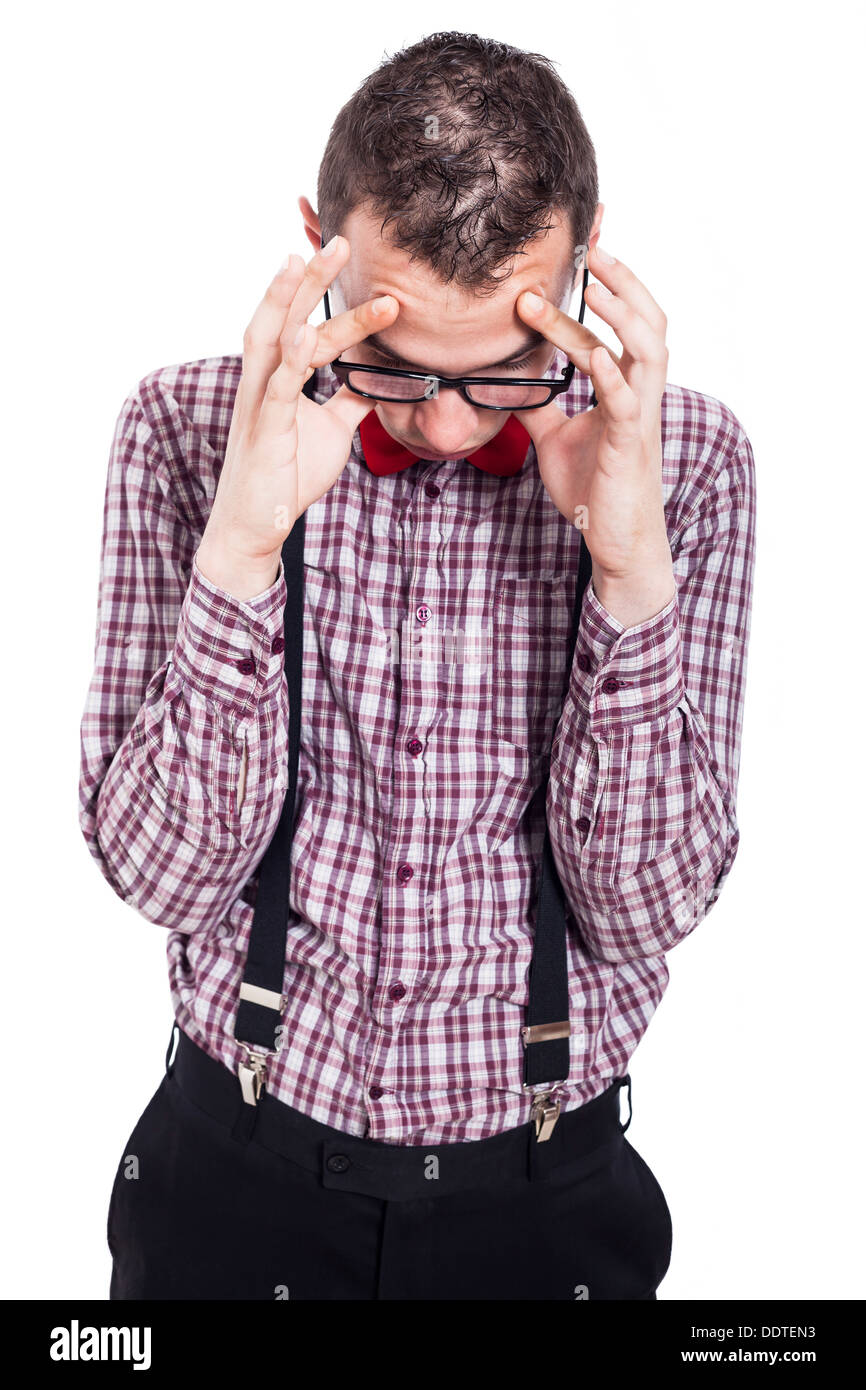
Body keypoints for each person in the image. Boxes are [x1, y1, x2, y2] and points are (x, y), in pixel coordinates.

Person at [78, 30, 756, 1301]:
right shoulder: (180, 433)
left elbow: (649, 907)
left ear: (585, 263)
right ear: (315, 244)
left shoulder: (690, 465)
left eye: (500, 369)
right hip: (234, 1178)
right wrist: (244, 540)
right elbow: (158, 873)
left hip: (543, 1206)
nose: (445, 426)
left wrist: (626, 572)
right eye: (398, 363)